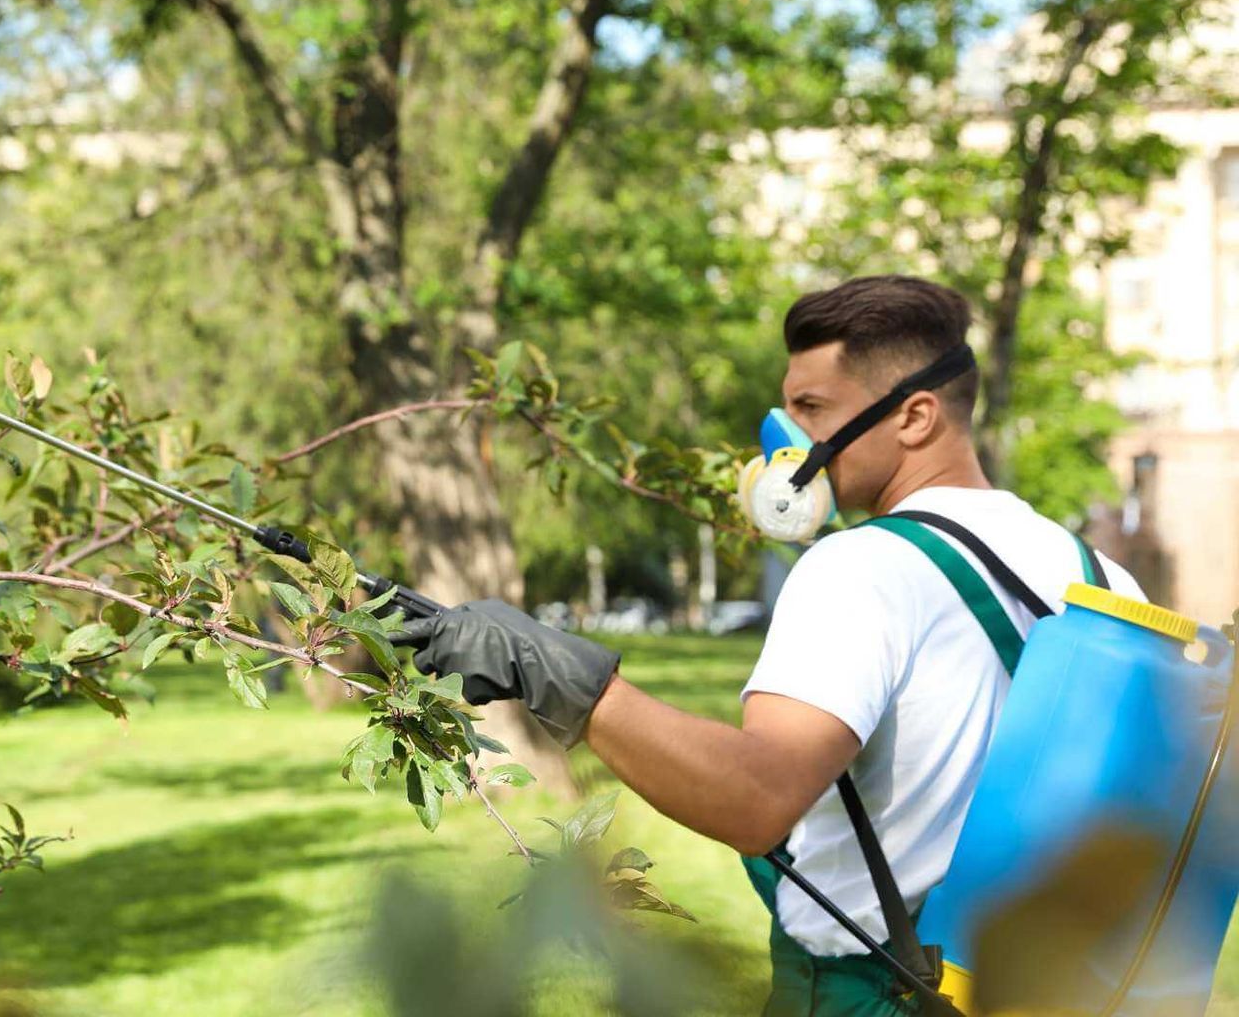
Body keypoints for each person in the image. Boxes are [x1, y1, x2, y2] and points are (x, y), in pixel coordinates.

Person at [391, 275, 1145, 1016]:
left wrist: (563, 678)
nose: (786, 443)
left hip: (879, 994)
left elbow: (756, 798)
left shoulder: (864, 566)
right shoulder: (1098, 574)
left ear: (915, 417)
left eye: (811, 409)